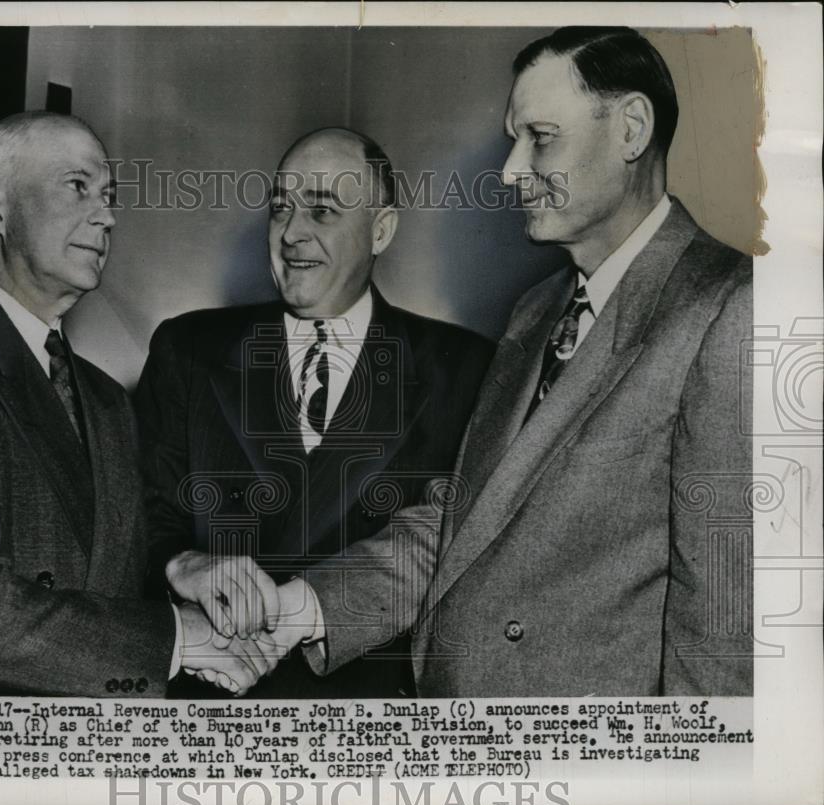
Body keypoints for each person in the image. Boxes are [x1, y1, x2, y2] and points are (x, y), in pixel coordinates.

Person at [282, 27, 753, 696]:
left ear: (631, 129)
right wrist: (301, 608)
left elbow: (722, 646)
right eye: (514, 139)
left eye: (541, 137)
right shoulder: (537, 309)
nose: (509, 171)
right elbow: (470, 523)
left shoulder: (730, 310)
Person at [0, 111, 278, 696]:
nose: (107, 216)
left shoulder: (106, 400)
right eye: (78, 186)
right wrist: (179, 637)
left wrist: (178, 568)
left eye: (109, 196)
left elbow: (105, 576)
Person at [134, 127, 493, 697]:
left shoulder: (466, 368)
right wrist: (181, 563)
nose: (291, 233)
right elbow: (138, 519)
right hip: (209, 705)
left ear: (381, 229)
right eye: (281, 208)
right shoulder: (190, 349)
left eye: (322, 211)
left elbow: (457, 547)